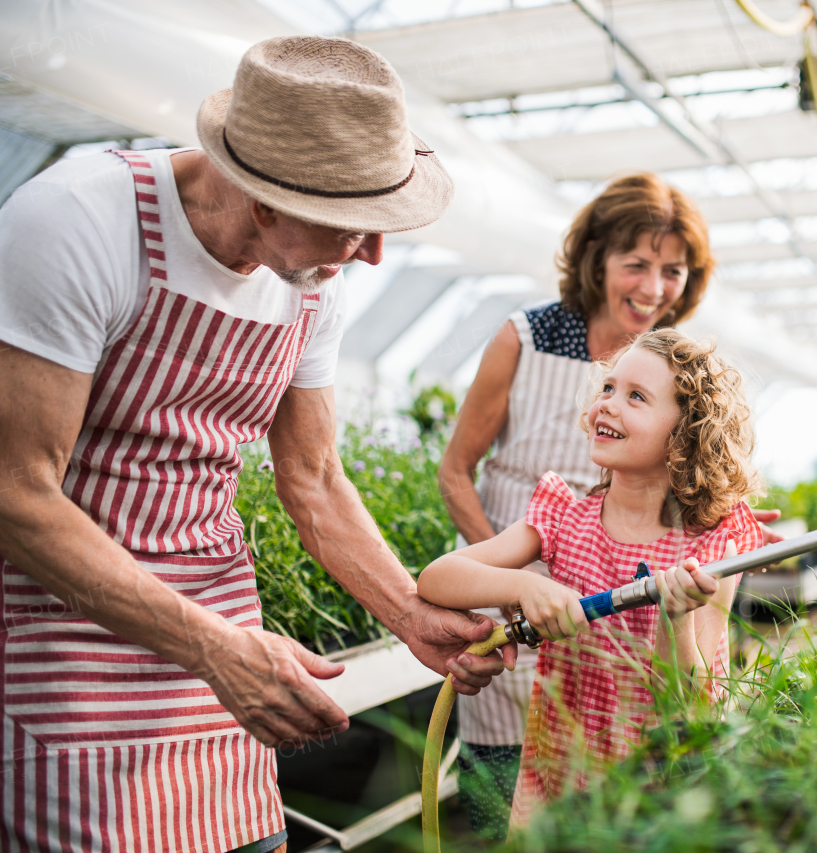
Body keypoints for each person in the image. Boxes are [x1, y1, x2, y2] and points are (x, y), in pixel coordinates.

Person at [0, 36, 512, 852]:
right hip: (67, 633)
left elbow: (312, 479)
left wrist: (410, 611)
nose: (374, 254)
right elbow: (17, 493)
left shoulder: (310, 281)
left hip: (229, 632)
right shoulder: (80, 221)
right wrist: (211, 647)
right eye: (354, 226)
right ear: (264, 199)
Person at [436, 172, 717, 835]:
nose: (653, 288)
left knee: (599, 794)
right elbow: (455, 470)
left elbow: (692, 471)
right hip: (512, 575)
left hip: (612, 611)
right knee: (505, 789)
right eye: (637, 264)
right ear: (598, 259)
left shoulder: (670, 361)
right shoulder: (527, 338)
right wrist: (514, 585)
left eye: (672, 270)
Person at [419, 328, 766, 825]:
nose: (608, 404)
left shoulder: (708, 547)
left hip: (662, 789)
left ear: (686, 433)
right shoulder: (565, 518)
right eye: (608, 388)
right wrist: (524, 584)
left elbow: (687, 704)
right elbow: (437, 579)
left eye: (637, 397)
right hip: (561, 778)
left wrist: (676, 618)